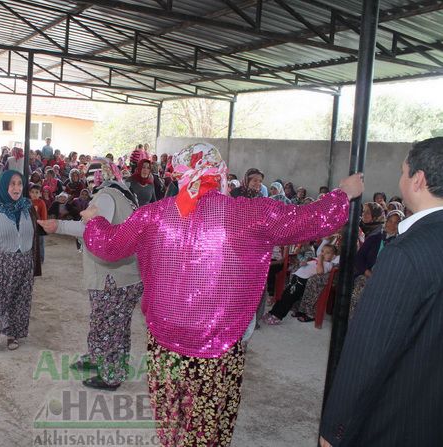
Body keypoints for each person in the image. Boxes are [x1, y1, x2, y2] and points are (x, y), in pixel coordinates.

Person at [81, 142, 361, 447]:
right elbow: (306, 220)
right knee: (208, 425)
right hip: (217, 345)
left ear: (181, 173)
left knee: (172, 417)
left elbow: (109, 245)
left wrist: (94, 219)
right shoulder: (249, 213)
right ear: (220, 173)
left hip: (165, 341)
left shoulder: (154, 215)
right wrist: (342, 195)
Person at [320, 137, 443, 447]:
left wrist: (335, 428)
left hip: (398, 416)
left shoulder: (406, 252)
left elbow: (368, 349)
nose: (400, 179)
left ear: (418, 180)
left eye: (403, 172)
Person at [39, 159, 142, 390]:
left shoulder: (105, 196)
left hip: (113, 278)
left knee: (109, 326)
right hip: (125, 275)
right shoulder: (123, 193)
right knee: (114, 324)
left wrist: (59, 226)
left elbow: (92, 229)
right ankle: (100, 358)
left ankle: (111, 375)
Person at [0, 170, 42, 354]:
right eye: (12, 183)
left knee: (19, 301)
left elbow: (36, 236)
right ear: (4, 185)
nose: (17, 187)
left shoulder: (28, 207)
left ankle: (13, 334)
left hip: (24, 262)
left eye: (20, 183)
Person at [262, 244, 338, 324]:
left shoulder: (328, 264)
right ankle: (272, 312)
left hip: (301, 281)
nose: (323, 254)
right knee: (284, 296)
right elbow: (309, 265)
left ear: (333, 257)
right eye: (322, 251)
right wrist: (304, 263)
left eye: (327, 252)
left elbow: (320, 271)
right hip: (296, 278)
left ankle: (277, 316)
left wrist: (320, 261)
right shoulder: (318, 260)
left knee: (288, 299)